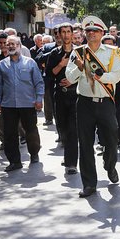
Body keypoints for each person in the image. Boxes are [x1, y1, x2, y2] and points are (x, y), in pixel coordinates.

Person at [65, 16, 120, 198]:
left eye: (95, 31)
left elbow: (116, 76)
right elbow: (69, 77)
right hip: (85, 103)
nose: (91, 34)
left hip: (105, 102)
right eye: (88, 31)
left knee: (112, 138)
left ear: (102, 33)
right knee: (86, 144)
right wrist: (82, 68)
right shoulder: (78, 52)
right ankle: (89, 183)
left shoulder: (113, 52)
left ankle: (110, 164)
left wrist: (98, 75)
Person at [0, 36, 44, 171]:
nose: (10, 46)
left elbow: (38, 82)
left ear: (19, 46)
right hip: (8, 105)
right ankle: (14, 161)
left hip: (28, 103)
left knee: (31, 131)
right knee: (10, 134)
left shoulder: (30, 63)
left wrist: (39, 99)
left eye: (13, 44)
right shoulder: (2, 65)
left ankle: (34, 153)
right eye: (8, 44)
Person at [46, 23, 79, 174]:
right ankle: (68, 155)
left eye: (68, 32)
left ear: (72, 34)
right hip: (59, 95)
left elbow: (87, 73)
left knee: (73, 129)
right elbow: (50, 74)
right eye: (63, 32)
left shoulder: (79, 52)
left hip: (76, 95)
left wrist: (73, 80)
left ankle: (71, 163)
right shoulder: (54, 53)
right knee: (63, 128)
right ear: (58, 35)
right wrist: (61, 64)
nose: (66, 35)